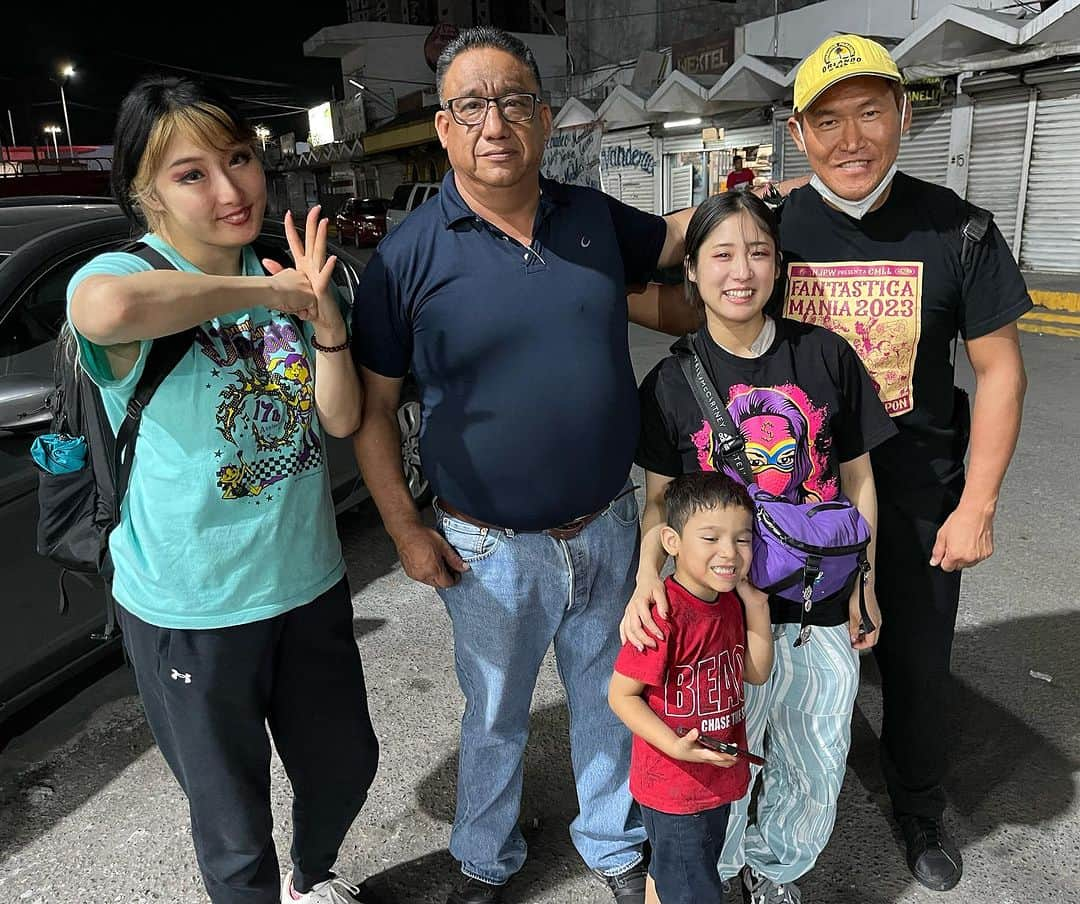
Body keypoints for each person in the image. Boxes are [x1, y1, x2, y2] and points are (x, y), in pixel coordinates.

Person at [350, 24, 697, 904]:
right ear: (443, 127)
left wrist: (779, 209)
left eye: (512, 102)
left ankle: (615, 847)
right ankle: (484, 856)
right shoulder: (406, 259)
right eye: (471, 105)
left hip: (613, 526)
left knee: (609, 700)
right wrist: (405, 530)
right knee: (496, 716)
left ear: (544, 119)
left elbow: (676, 243)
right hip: (489, 546)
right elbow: (375, 412)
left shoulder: (591, 219)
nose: (493, 122)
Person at [66, 76, 381, 904]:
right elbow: (103, 312)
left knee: (347, 763)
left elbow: (341, 421)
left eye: (238, 158)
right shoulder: (131, 272)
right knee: (233, 828)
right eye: (191, 173)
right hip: (188, 608)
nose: (231, 187)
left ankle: (313, 879)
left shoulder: (295, 270)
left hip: (305, 584)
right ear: (146, 193)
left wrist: (323, 321)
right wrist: (266, 293)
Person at [777, 34, 1030, 892]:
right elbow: (685, 284)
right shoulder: (771, 230)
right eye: (829, 120)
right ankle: (783, 790)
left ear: (903, 115)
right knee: (788, 654)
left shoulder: (958, 229)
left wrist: (979, 504)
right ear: (799, 133)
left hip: (920, 493)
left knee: (919, 661)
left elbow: (999, 371)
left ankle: (917, 802)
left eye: (871, 113)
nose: (852, 139)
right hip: (797, 496)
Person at [621, 190, 897, 904]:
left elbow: (859, 482)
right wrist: (647, 576)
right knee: (720, 759)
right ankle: (718, 868)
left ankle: (776, 873)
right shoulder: (670, 385)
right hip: (713, 622)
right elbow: (658, 502)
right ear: (692, 271)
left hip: (816, 611)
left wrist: (864, 583)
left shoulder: (826, 357)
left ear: (778, 264)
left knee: (814, 759)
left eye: (757, 251)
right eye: (721, 253)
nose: (740, 270)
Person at [609, 472, 774, 904]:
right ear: (671, 541)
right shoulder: (662, 614)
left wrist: (757, 608)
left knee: (677, 875)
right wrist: (674, 745)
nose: (730, 552)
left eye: (742, 539)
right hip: (675, 788)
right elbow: (621, 695)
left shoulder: (729, 604)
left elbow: (754, 672)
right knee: (693, 889)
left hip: (714, 782)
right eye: (710, 537)